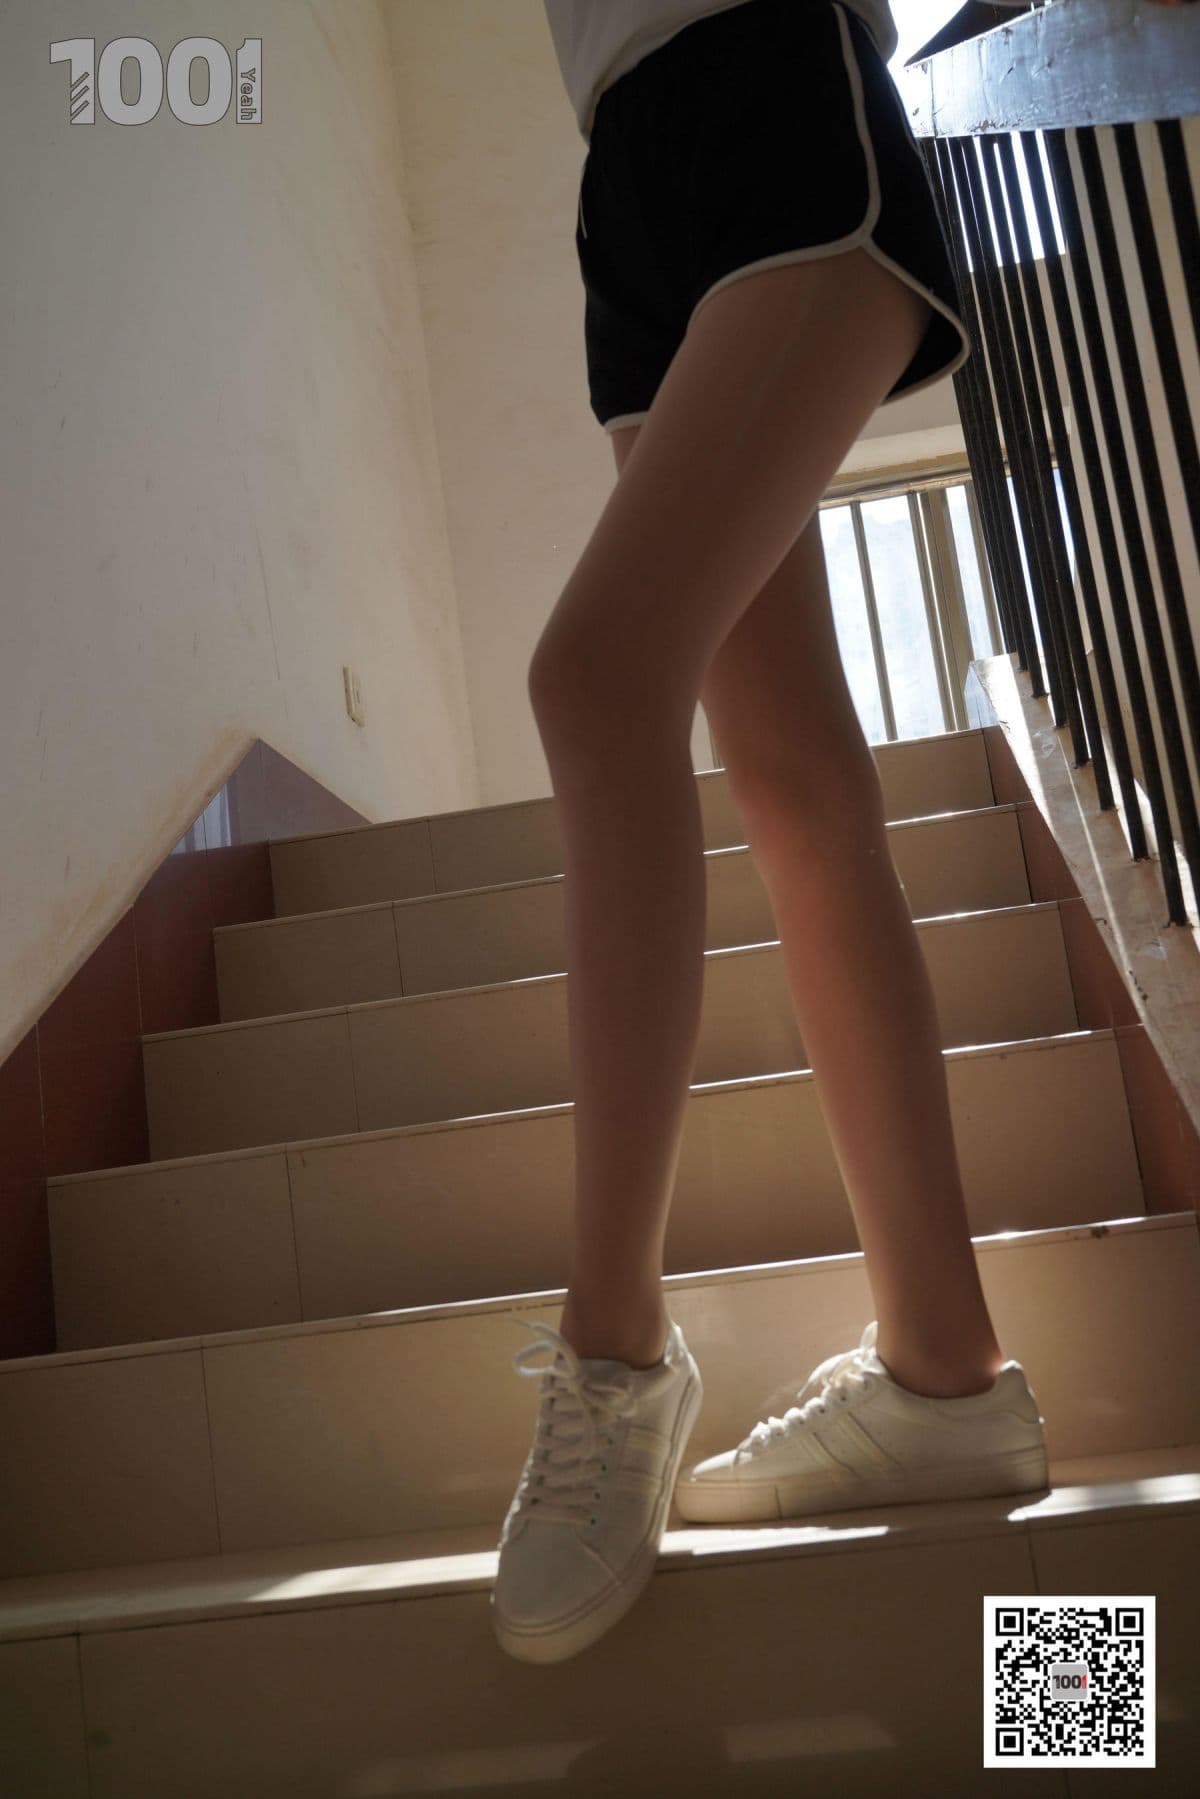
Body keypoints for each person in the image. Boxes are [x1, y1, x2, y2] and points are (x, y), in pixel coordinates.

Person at [491, 0, 1048, 1666]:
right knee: (791, 768)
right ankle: (944, 1367)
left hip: (766, 78)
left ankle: (615, 1352)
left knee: (599, 680)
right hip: (623, 174)